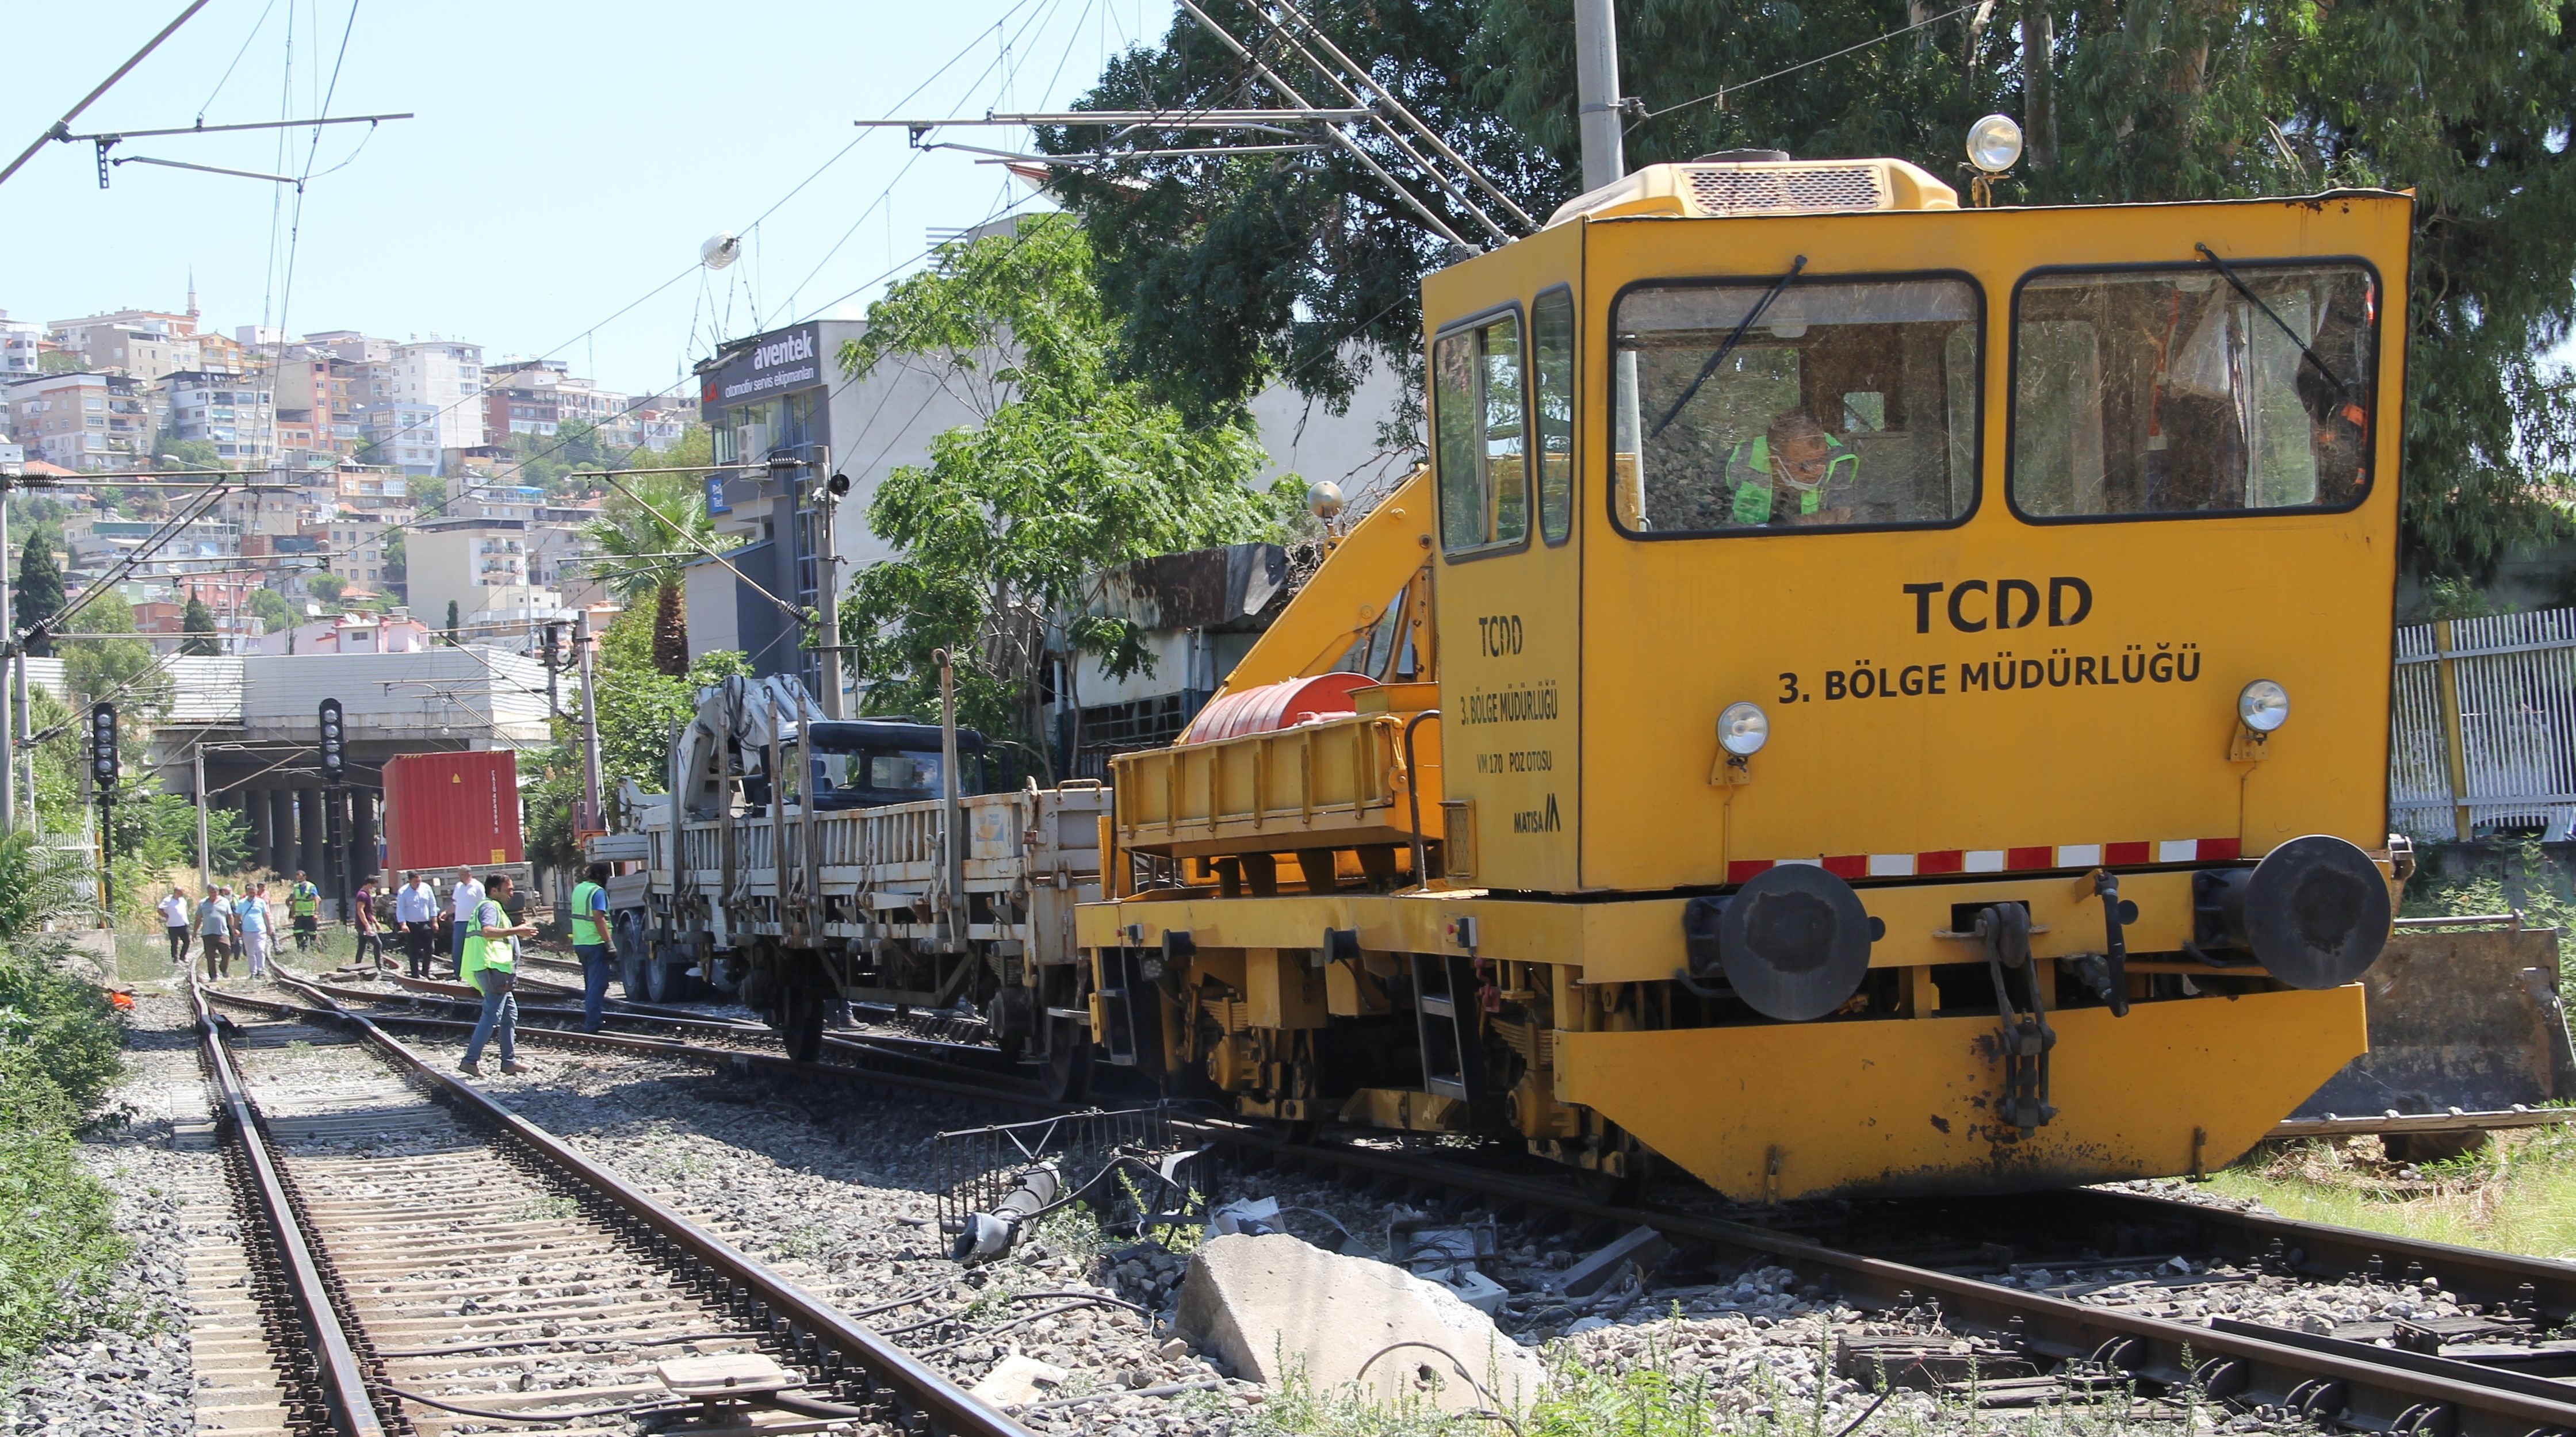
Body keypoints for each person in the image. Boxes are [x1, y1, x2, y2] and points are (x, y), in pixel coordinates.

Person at [1722, 408, 1859, 527]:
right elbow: (1710, 524)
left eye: (1822, 460)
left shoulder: (1838, 462)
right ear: (1776, 463)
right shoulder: (1738, 463)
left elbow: (1842, 518)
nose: (1819, 470)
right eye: (1806, 465)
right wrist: (1809, 521)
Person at [458, 873, 538, 1077]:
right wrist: (516, 931)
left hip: (497, 969)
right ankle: (470, 1061)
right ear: (494, 891)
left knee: (509, 1014)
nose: (512, 893)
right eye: (508, 889)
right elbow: (487, 931)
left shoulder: (494, 907)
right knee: (491, 1015)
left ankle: (508, 1062)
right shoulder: (489, 907)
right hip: (492, 968)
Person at [571, 862, 614, 1032]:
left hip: (581, 943)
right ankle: (592, 1025)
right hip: (595, 944)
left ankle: (592, 1020)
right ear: (603, 876)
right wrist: (609, 944)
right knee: (599, 985)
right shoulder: (598, 892)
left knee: (591, 985)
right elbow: (599, 918)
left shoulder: (579, 889)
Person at [395, 871, 438, 979]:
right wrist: (403, 924)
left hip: (425, 923)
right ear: (410, 881)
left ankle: (426, 971)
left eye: (419, 881)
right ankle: (415, 973)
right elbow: (400, 909)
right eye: (416, 881)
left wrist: (435, 921)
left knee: (430, 948)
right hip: (411, 925)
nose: (418, 883)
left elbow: (433, 904)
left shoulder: (426, 888)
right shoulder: (403, 892)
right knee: (414, 950)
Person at [447, 866, 485, 978]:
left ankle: (476, 973)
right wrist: (447, 912)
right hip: (460, 922)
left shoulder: (478, 886)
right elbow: (456, 904)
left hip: (473, 922)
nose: (459, 877)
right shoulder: (458, 886)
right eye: (459, 874)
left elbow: (483, 905)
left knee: (474, 948)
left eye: (461, 874)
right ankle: (457, 972)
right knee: (457, 948)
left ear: (468, 874)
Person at [236, 882, 275, 980]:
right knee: (250, 953)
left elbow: (266, 915)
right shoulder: (241, 903)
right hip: (247, 931)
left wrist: (269, 927)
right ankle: (253, 972)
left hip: (260, 930)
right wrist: (236, 929)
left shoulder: (261, 902)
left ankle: (261, 970)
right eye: (250, 893)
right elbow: (237, 917)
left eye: (253, 893)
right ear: (247, 892)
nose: (252, 895)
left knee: (260, 950)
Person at [198, 886, 234, 981]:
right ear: (208, 892)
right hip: (207, 933)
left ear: (218, 892)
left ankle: (223, 968)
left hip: (222, 932)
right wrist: (194, 932)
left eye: (215, 892)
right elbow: (198, 918)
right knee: (210, 956)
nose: (213, 894)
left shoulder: (225, 902)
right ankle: (213, 976)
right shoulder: (202, 903)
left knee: (227, 951)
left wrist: (233, 929)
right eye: (211, 892)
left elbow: (230, 916)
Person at [351, 879, 387, 969]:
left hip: (363, 925)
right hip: (363, 925)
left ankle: (357, 964)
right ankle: (379, 966)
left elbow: (369, 913)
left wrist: (376, 923)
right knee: (378, 944)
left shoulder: (367, 895)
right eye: (374, 886)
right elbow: (360, 911)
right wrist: (367, 926)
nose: (374, 888)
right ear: (368, 884)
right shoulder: (362, 895)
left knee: (362, 945)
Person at [159, 886, 193, 971]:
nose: (183, 893)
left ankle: (183, 956)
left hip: (183, 924)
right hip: (173, 925)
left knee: (187, 941)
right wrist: (166, 916)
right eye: (181, 892)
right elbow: (160, 910)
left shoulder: (182, 900)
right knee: (175, 943)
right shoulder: (168, 900)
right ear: (176, 892)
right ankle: (175, 959)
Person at [287, 871, 321, 952]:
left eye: (301, 879)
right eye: (298, 879)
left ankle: (314, 949)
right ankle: (302, 948)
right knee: (298, 932)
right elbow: (295, 900)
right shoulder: (296, 887)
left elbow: (317, 899)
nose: (299, 881)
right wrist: (292, 912)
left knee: (312, 933)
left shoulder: (311, 886)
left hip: (310, 914)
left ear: (305, 877)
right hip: (299, 914)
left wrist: (316, 913)